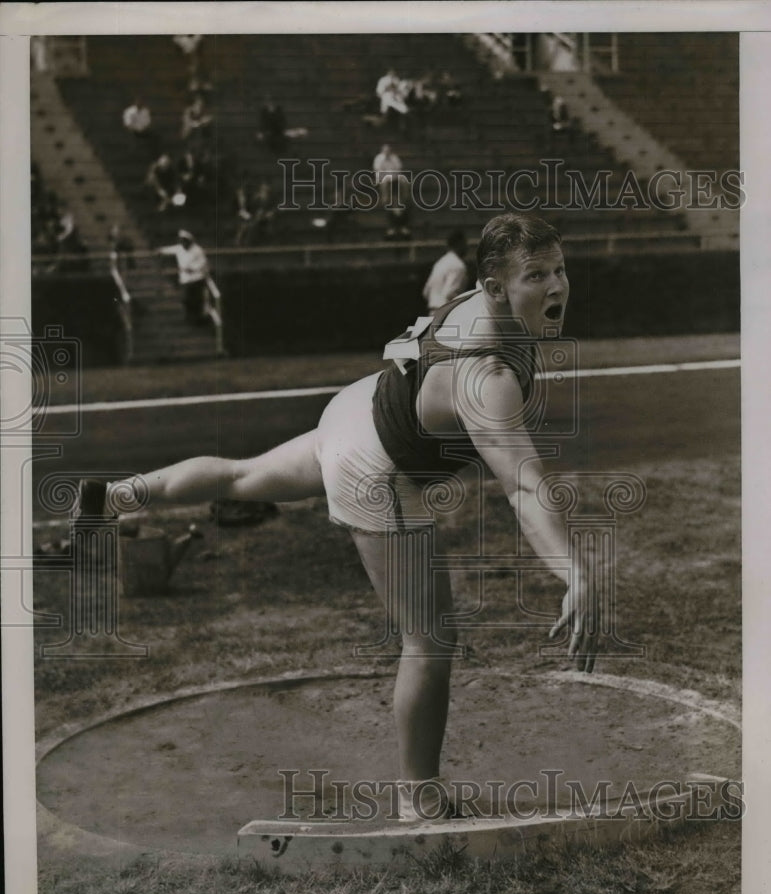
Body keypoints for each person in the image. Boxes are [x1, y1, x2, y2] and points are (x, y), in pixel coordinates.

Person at [77, 214, 598, 822]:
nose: (557, 285)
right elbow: (523, 484)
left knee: (242, 475)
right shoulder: (491, 378)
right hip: (376, 468)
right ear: (496, 286)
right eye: (536, 274)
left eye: (560, 269)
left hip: (357, 406)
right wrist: (575, 572)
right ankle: (419, 796)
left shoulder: (471, 300)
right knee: (429, 638)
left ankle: (115, 495)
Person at [157, 230, 210, 324]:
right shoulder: (179, 248)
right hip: (185, 279)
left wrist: (193, 268)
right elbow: (167, 250)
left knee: (197, 300)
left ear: (190, 241)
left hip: (197, 278)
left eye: (185, 241)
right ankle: (189, 318)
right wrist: (160, 250)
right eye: (182, 241)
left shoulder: (197, 249)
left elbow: (203, 262)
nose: (183, 243)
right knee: (186, 299)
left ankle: (198, 320)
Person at [422, 230, 469, 313]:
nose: (467, 247)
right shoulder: (458, 265)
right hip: (446, 314)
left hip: (433, 312)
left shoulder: (440, 262)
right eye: (465, 244)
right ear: (459, 244)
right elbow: (450, 294)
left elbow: (426, 292)